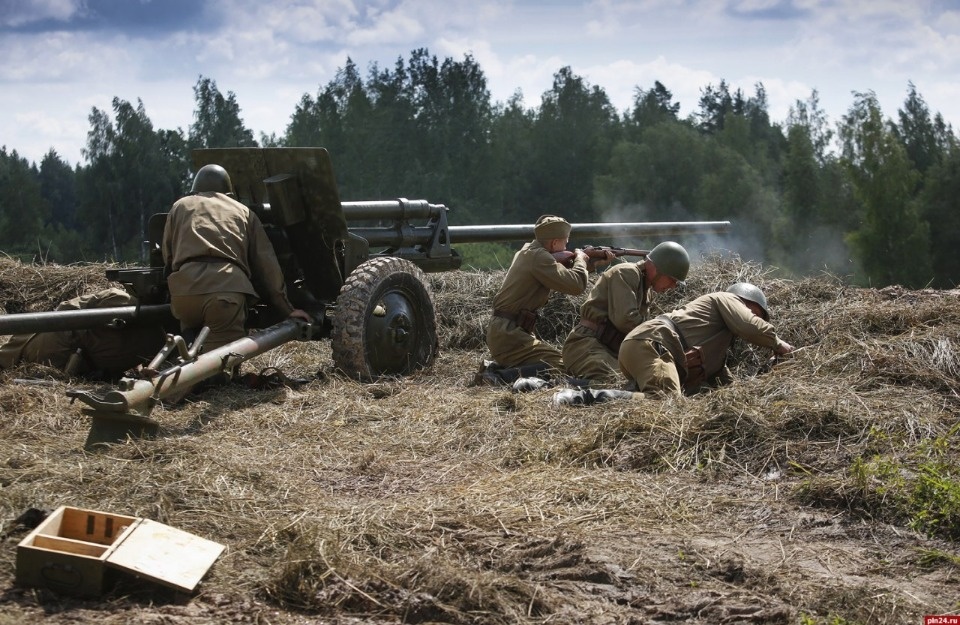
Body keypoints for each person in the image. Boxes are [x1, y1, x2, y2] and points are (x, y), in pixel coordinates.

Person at [553, 282, 794, 405]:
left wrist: (753, 389)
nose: (757, 318)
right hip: (654, 344)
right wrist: (776, 342)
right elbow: (749, 326)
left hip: (647, 347)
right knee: (664, 401)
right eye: (756, 313)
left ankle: (560, 386)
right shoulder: (727, 299)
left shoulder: (718, 341)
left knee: (641, 397)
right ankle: (581, 398)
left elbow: (720, 381)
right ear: (745, 302)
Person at [162, 163, 311, 356]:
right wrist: (287, 310)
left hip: (184, 296)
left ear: (196, 189)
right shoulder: (244, 212)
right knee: (220, 366)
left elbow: (168, 256)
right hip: (224, 295)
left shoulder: (179, 206)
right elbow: (267, 267)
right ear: (229, 193)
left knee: (190, 347)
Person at [482, 214, 612, 381]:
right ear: (554, 243)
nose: (567, 245)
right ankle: (499, 377)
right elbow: (576, 286)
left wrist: (590, 265)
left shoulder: (529, 251)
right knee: (560, 366)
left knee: (555, 363)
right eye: (565, 241)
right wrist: (580, 259)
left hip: (508, 331)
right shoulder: (539, 257)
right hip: (509, 334)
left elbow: (562, 277)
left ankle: (500, 370)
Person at [561, 241, 689, 385]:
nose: (672, 286)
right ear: (655, 268)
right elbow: (626, 320)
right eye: (672, 280)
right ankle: (556, 385)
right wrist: (662, 337)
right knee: (617, 382)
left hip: (609, 350)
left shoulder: (646, 291)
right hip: (586, 345)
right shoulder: (627, 273)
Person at [0, 287, 166, 380]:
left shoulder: (157, 342)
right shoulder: (118, 299)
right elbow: (66, 310)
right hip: (48, 346)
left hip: (58, 356)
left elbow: (65, 309)